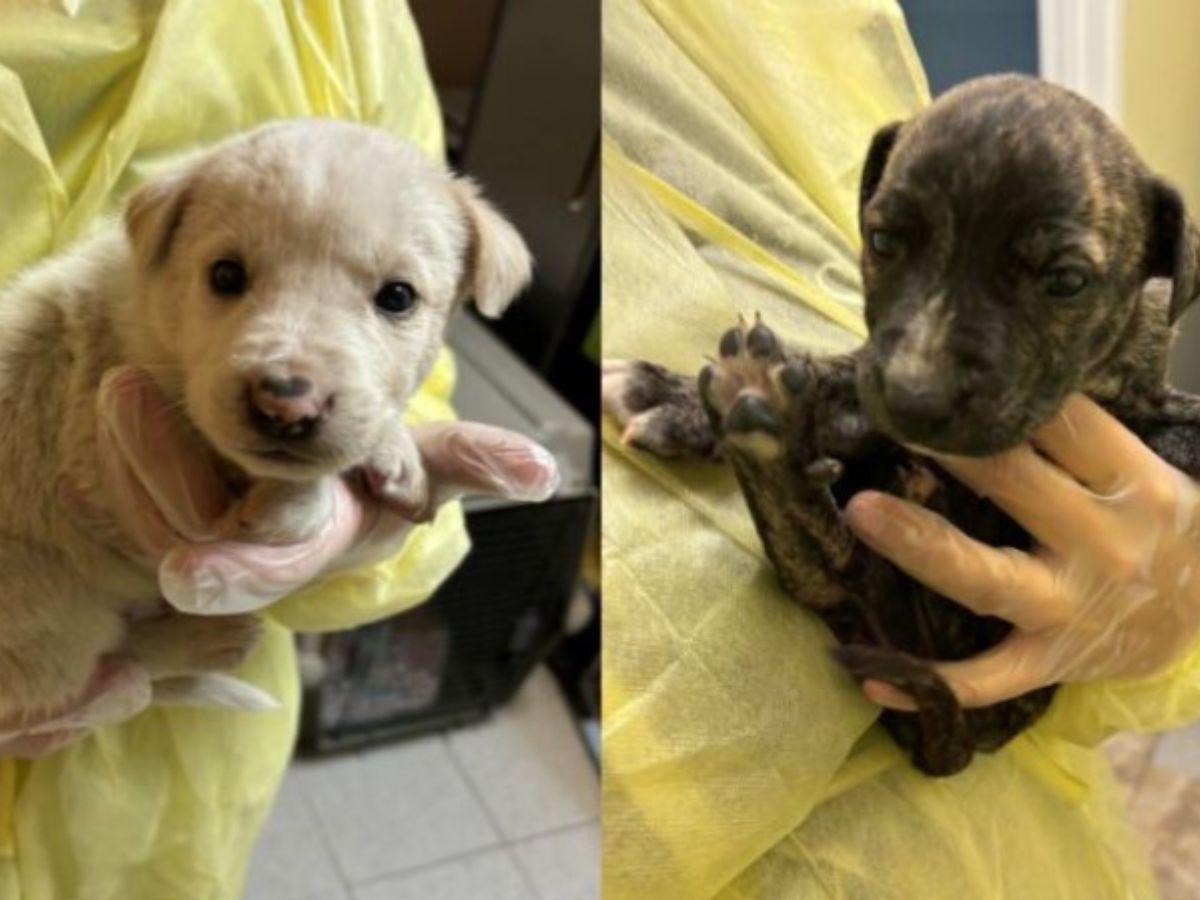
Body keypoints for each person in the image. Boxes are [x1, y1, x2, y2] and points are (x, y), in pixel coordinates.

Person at [601, 1, 1200, 897]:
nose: (916, 369)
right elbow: (863, 387)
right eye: (889, 241)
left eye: (1060, 279)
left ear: (1165, 272)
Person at [0, 3, 557, 897]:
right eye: (231, 277)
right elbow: (92, 497)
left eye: (394, 298)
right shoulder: (112, 335)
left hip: (174, 772)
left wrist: (361, 501)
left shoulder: (339, 16)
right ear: (160, 249)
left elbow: (418, 391)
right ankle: (116, 674)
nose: (286, 387)